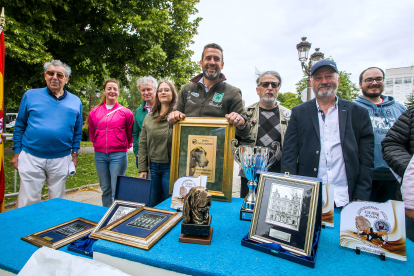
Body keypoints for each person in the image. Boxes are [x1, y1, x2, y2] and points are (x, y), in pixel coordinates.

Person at [281, 60, 374, 207]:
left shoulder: (358, 113)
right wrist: (290, 190)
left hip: (346, 197)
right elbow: (289, 154)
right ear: (312, 83)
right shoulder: (299, 112)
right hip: (309, 196)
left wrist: (361, 194)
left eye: (329, 76)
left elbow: (366, 158)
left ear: (338, 79)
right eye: (318, 78)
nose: (324, 81)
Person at [11, 60, 82, 208]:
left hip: (61, 158)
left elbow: (77, 130)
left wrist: (74, 152)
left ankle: (53, 229)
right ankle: (27, 230)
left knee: (57, 202)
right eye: (51, 73)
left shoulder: (75, 101)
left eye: (60, 75)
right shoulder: (30, 96)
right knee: (28, 202)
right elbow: (20, 125)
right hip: (31, 156)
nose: (54, 77)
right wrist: (17, 151)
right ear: (45, 76)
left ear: (66, 79)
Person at [167, 43, 250, 136]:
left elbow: (245, 132)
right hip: (186, 148)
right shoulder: (186, 89)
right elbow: (171, 125)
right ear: (201, 63)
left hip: (218, 149)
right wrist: (172, 117)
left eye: (216, 59)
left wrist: (241, 123)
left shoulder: (233, 93)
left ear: (222, 65)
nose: (212, 62)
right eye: (208, 58)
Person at [354, 67, 406, 202]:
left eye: (378, 79)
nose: (374, 83)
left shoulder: (400, 109)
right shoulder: (352, 109)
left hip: (395, 176)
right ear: (361, 84)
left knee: (392, 220)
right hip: (364, 177)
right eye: (369, 80)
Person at [238, 70, 291, 198]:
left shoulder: (289, 116)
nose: (270, 88)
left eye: (274, 85)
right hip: (249, 175)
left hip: (277, 175)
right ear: (258, 90)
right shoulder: (245, 114)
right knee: (248, 210)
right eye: (265, 84)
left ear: (278, 89)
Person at [88, 79, 134, 207]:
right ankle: (106, 215)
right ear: (104, 91)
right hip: (100, 155)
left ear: (118, 92)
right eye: (109, 88)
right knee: (105, 189)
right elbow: (92, 131)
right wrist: (98, 144)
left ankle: (116, 217)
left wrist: (123, 145)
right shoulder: (94, 112)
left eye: (115, 89)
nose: (112, 91)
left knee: (117, 189)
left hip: (118, 155)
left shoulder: (126, 112)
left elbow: (130, 132)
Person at [138, 81, 177, 207]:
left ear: (173, 94)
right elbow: (143, 144)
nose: (163, 92)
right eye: (160, 90)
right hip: (152, 168)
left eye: (167, 90)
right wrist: (142, 168)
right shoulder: (149, 117)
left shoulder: (178, 117)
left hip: (171, 167)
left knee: (170, 204)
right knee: (152, 203)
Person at [382, 108, 414, 241]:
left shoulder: (398, 107)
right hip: (409, 196)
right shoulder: (411, 114)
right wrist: (410, 169)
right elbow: (391, 144)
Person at [132, 76, 157, 169]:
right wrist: (136, 151)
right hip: (142, 155)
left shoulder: (163, 108)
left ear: (155, 89)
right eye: (143, 90)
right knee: (145, 182)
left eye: (149, 89)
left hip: (159, 155)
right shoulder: (139, 111)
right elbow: (135, 132)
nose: (146, 93)